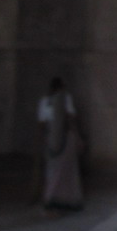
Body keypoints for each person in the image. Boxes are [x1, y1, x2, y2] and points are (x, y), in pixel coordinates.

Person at [37, 77, 84, 212]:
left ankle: (50, 198)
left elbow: (41, 123)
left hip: (51, 138)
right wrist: (77, 137)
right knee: (66, 171)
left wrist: (42, 140)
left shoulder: (44, 101)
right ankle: (64, 199)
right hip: (64, 138)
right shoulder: (65, 98)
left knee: (52, 171)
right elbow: (71, 118)